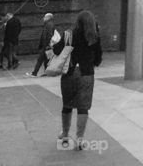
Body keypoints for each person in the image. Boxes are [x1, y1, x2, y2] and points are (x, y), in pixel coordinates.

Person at [54, 10, 103, 151]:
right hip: (86, 73)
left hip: (69, 73)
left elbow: (57, 50)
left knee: (67, 104)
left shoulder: (69, 34)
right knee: (83, 107)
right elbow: (99, 55)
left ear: (78, 21)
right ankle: (79, 140)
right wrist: (93, 62)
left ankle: (64, 134)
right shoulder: (94, 36)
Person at [28, 13, 56, 77]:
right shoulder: (48, 24)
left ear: (48, 18)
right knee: (46, 59)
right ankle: (47, 73)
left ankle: (34, 73)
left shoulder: (49, 24)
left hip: (46, 46)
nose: (43, 18)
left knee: (40, 59)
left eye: (44, 17)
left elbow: (49, 35)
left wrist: (46, 45)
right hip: (47, 45)